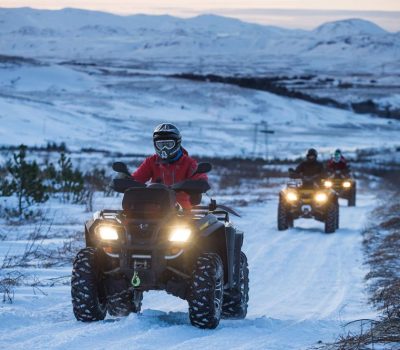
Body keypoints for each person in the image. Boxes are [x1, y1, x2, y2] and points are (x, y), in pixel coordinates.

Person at [131, 123, 208, 209]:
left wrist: (199, 184)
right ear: (155, 145)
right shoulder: (151, 161)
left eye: (168, 144)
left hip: (182, 212)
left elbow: (199, 176)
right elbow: (136, 179)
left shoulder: (188, 162)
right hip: (155, 208)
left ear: (177, 143)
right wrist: (126, 179)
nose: (164, 149)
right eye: (160, 145)